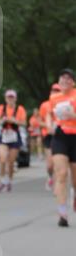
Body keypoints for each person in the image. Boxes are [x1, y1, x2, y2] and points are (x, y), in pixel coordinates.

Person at [46, 69, 76, 227]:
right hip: (60, 136)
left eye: (68, 79)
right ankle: (62, 213)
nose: (65, 81)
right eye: (62, 78)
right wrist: (49, 125)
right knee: (62, 173)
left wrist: (73, 116)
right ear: (59, 82)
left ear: (73, 82)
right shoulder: (54, 98)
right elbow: (49, 114)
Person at [0, 89, 27, 192]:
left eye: (12, 97)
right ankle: (2, 179)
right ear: (5, 99)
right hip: (4, 136)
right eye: (8, 97)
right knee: (2, 159)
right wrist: (3, 120)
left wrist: (15, 121)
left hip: (14, 136)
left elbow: (24, 123)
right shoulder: (2, 108)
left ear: (15, 99)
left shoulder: (20, 109)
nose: (10, 99)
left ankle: (9, 180)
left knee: (11, 162)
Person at [40, 84, 61, 191]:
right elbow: (39, 121)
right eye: (54, 91)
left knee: (58, 162)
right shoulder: (45, 105)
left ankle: (57, 186)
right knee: (50, 165)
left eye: (57, 91)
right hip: (48, 135)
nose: (55, 93)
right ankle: (50, 176)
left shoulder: (64, 104)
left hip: (61, 135)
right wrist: (48, 126)